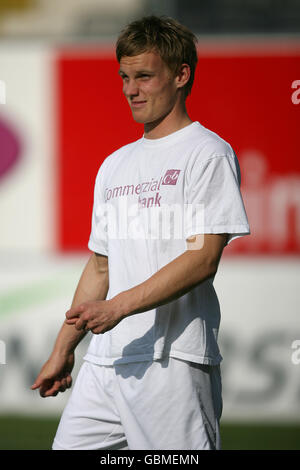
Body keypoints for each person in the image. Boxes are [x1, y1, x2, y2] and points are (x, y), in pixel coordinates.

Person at [31, 15, 250, 450]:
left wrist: (119, 308)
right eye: (125, 77)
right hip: (106, 363)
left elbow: (202, 258)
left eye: (145, 76)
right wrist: (64, 347)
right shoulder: (115, 164)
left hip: (173, 362)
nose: (131, 90)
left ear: (182, 75)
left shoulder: (207, 153)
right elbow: (100, 265)